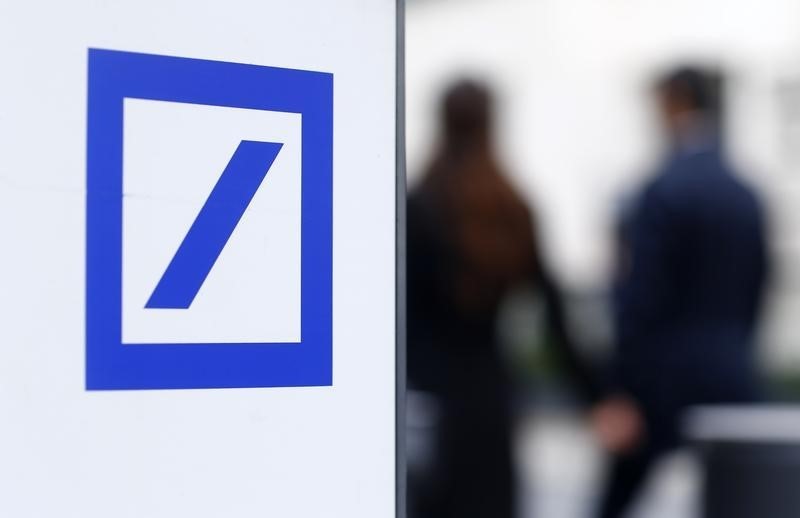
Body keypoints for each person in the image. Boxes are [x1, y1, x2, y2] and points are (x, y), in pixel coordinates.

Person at [407, 80, 597, 518]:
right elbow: (555, 313)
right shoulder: (513, 207)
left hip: (428, 395)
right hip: (489, 396)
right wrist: (595, 396)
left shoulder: (419, 205)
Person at [592, 67, 770, 518]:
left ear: (674, 102)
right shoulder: (745, 192)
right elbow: (758, 285)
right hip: (731, 371)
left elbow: (639, 297)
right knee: (738, 502)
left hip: (661, 380)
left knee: (614, 504)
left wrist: (619, 388)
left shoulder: (660, 190)